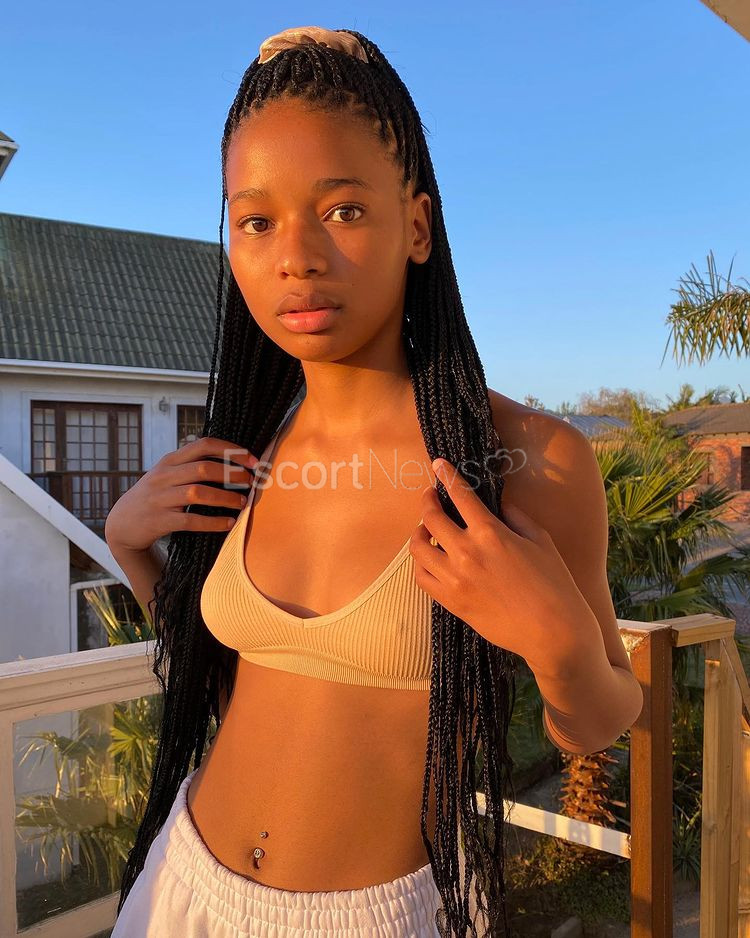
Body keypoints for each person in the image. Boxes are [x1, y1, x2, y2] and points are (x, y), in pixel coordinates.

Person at [106, 25, 643, 938]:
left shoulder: (528, 459)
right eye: (256, 221)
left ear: (417, 227)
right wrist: (129, 545)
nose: (297, 256)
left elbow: (604, 717)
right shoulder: (249, 447)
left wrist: (561, 651)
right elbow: (235, 683)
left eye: (344, 209)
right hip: (181, 891)